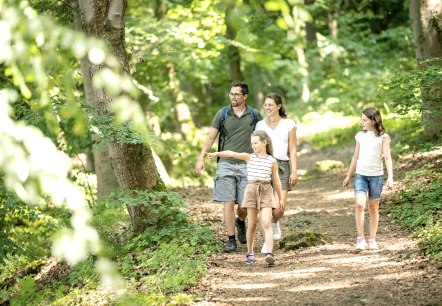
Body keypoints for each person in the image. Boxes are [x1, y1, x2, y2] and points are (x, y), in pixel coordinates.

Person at [195, 81, 262, 253]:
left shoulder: (254, 115)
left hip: (248, 164)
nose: (233, 97)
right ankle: (231, 239)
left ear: (245, 96)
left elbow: (264, 139)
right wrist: (201, 158)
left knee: (245, 205)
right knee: (228, 201)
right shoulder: (222, 113)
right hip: (225, 164)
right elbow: (210, 138)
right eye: (231, 94)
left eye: (236, 94)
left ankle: (240, 221)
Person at [206, 130, 283, 266]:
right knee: (252, 224)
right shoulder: (249, 157)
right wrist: (217, 153)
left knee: (265, 222)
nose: (253, 145)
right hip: (251, 190)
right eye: (252, 143)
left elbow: (276, 181)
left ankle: (270, 254)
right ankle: (250, 252)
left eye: (256, 143)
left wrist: (280, 199)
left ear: (264, 142)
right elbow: (232, 154)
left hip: (266, 190)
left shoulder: (272, 161)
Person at [343, 107, 394, 251]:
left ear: (373, 120)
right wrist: (349, 175)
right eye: (361, 120)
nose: (362, 123)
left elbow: (388, 158)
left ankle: (372, 239)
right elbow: (355, 156)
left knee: (373, 207)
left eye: (364, 120)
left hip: (376, 176)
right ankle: (360, 239)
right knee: (359, 204)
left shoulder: (383, 137)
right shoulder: (360, 136)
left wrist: (390, 177)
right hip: (361, 175)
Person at [255, 93, 298, 253]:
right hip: (264, 165)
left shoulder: (289, 124)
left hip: (282, 166)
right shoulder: (260, 125)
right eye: (265, 105)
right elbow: (256, 147)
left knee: (279, 208)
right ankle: (268, 240)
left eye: (270, 105)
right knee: (265, 206)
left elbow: (292, 149)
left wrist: (294, 170)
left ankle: (274, 222)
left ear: (279, 106)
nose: (267, 108)